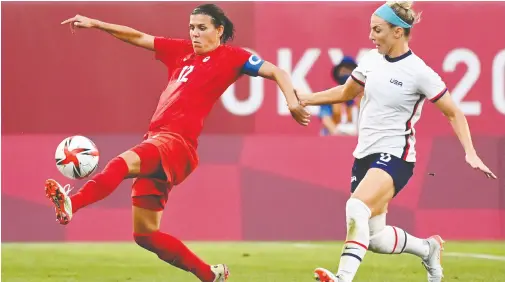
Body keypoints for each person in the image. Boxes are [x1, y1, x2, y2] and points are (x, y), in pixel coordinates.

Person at [45, 4, 310, 282]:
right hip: (158, 141)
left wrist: (292, 102)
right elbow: (137, 37)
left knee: (120, 164)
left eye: (202, 28)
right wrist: (97, 23)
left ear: (219, 30)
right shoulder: (181, 51)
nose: (195, 34)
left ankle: (72, 203)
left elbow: (278, 72)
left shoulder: (234, 57)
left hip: (176, 143)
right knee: (146, 234)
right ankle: (209, 274)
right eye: (192, 28)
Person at [298, 2, 497, 282]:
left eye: (377, 30)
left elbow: (454, 112)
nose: (371, 36)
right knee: (376, 237)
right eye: (371, 29)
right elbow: (345, 92)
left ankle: (343, 278)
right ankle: (428, 249)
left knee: (356, 207)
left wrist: (470, 152)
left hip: (396, 156)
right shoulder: (370, 59)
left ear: (398, 32)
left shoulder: (419, 72)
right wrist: (305, 98)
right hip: (365, 155)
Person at [319, 56, 361, 136]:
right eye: (343, 71)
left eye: (349, 70)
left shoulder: (363, 95)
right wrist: (337, 134)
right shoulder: (329, 95)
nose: (346, 73)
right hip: (334, 138)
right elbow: (325, 117)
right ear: (338, 74)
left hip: (359, 138)